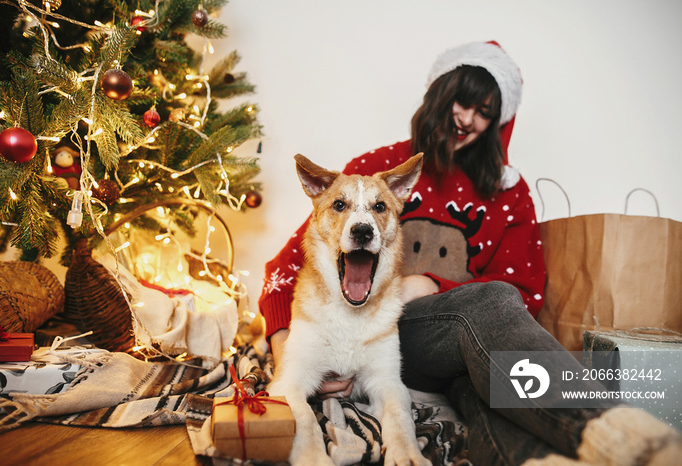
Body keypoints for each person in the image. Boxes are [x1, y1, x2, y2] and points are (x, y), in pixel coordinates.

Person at [258, 41, 681, 465]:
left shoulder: (508, 192)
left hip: (468, 343)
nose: (467, 118)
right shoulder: (382, 169)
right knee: (487, 312)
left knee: (486, 389)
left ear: (497, 122)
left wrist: (430, 284)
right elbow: (288, 266)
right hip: (393, 331)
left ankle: (552, 458)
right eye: (461, 102)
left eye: (484, 111)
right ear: (439, 94)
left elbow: (524, 293)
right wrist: (285, 349)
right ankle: (609, 427)